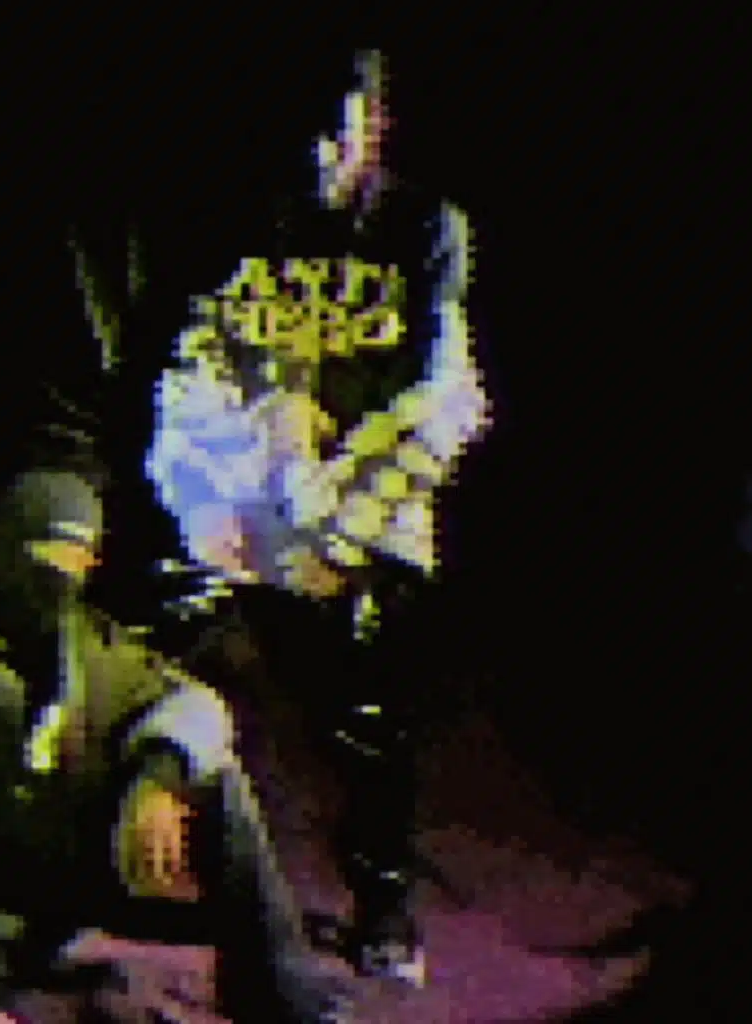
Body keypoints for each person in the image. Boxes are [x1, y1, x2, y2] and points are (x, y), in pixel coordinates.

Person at [146, 47, 491, 986]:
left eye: (335, 135)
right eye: (301, 137)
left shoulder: (424, 228)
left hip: (369, 499)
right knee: (151, 627)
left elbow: (435, 395)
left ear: (373, 127)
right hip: (252, 490)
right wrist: (215, 495)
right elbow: (191, 370)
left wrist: (334, 517)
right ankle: (125, 860)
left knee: (372, 692)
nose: (315, 157)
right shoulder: (241, 222)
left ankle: (384, 898)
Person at [0, 459, 348, 1022]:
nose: (60, 584)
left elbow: (196, 703)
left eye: (78, 563)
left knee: (215, 778)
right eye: (46, 560)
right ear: (1, 554)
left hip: (73, 875)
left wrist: (159, 776)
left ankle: (278, 987)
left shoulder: (89, 646)